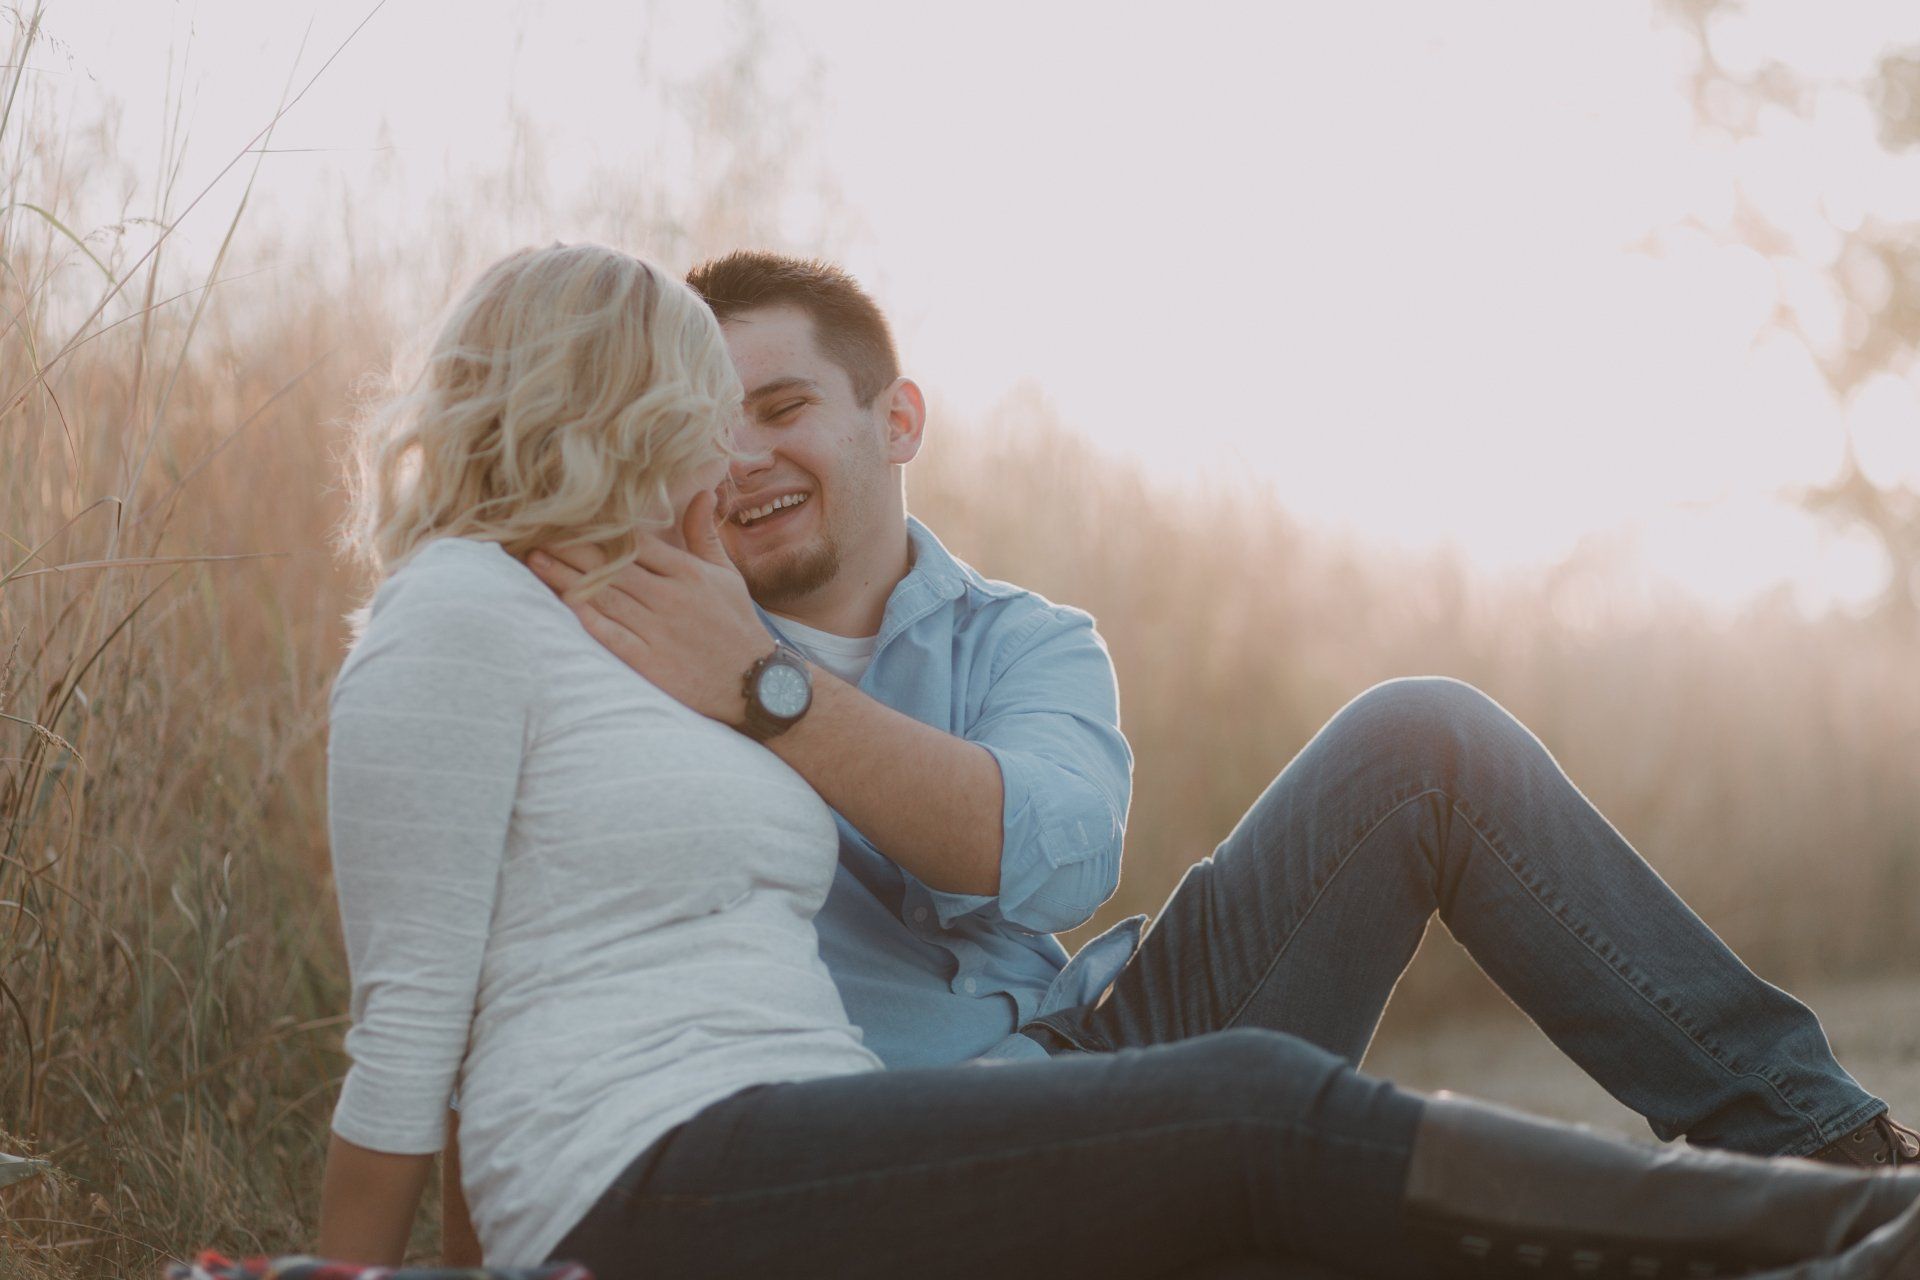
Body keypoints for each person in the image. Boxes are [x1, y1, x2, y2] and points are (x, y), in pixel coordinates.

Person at [318, 241, 1920, 1280]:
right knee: (1254, 1122)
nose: (739, 456)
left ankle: (1838, 1166)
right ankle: (1802, 1241)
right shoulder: (607, 634)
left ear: (896, 420)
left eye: (784, 405)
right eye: (703, 416)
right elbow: (494, 985)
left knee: (1420, 737)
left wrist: (773, 695)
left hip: (1082, 1047)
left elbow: (1050, 856)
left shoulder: (1015, 641)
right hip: (832, 1132)